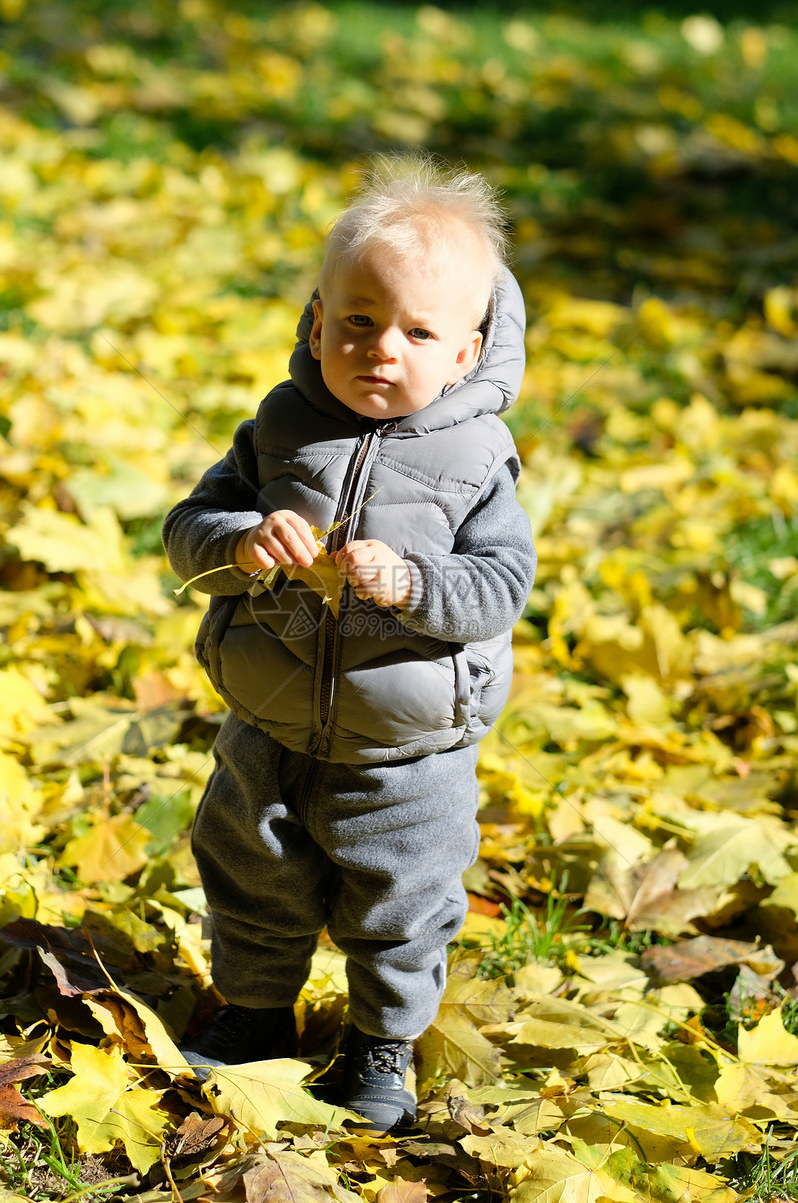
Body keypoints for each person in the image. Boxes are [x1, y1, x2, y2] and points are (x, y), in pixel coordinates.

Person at [162, 155, 537, 1131]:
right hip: (267, 729)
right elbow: (187, 530)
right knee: (248, 874)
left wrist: (410, 583)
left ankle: (380, 1046)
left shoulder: (475, 459)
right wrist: (243, 542)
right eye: (359, 321)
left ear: (464, 352)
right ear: (317, 323)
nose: (382, 349)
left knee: (399, 908)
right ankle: (252, 1017)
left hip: (404, 753)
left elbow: (499, 585)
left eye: (417, 331)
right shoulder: (280, 428)